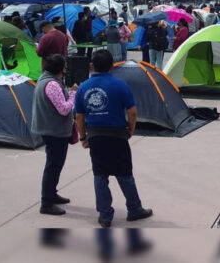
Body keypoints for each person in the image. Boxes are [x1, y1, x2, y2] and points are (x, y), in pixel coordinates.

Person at [75, 50, 153, 228]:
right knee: (125, 174)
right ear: (112, 65)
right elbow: (132, 112)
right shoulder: (120, 85)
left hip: (96, 136)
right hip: (117, 135)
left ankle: (105, 215)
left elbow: (79, 116)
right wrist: (130, 130)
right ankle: (134, 208)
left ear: (92, 66)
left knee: (100, 175)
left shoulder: (83, 87)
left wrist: (83, 137)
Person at [31, 54, 78, 216]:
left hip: (53, 130)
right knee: (53, 166)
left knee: (56, 165)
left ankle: (52, 193)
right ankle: (46, 202)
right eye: (64, 66)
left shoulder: (47, 80)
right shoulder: (51, 85)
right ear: (60, 69)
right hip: (54, 132)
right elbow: (64, 109)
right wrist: (73, 94)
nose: (66, 69)